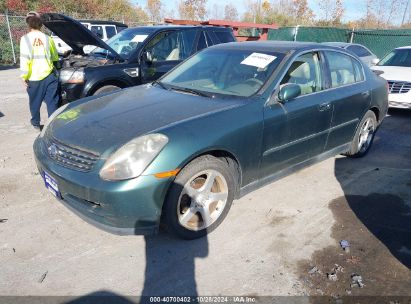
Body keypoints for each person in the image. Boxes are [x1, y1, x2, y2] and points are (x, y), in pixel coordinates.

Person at [20, 11, 60, 130]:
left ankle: (36, 124)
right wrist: (57, 70)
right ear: (41, 25)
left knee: (35, 102)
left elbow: (25, 59)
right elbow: (54, 57)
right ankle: (52, 125)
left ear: (29, 25)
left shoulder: (25, 39)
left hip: (34, 77)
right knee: (52, 102)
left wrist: (24, 76)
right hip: (49, 76)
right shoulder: (48, 39)